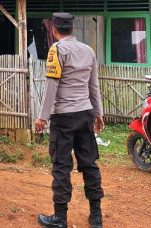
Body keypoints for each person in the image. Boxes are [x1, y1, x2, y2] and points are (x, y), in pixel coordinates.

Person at [35, 12, 105, 228]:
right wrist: (98, 113)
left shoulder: (56, 50)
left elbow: (52, 86)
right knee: (89, 164)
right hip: (85, 114)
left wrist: (42, 117)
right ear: (73, 29)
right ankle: (96, 216)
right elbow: (93, 85)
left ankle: (60, 218)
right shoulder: (88, 50)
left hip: (63, 117)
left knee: (61, 166)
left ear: (53, 30)